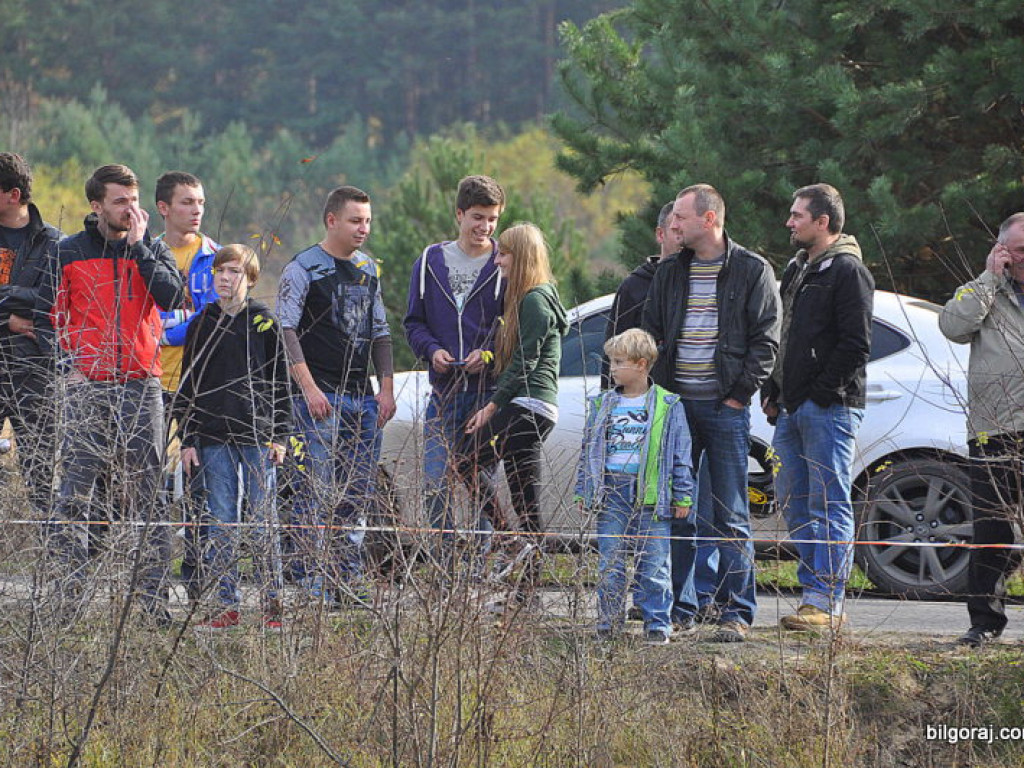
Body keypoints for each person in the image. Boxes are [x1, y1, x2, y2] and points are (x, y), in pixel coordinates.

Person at [48, 164, 185, 624]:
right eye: (120, 201)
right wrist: (67, 368)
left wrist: (140, 247)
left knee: (149, 495)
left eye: (134, 200)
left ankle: (152, 604)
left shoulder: (152, 249)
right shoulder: (67, 251)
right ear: (97, 206)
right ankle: (67, 602)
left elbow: (172, 299)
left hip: (141, 383)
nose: (130, 209)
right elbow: (51, 317)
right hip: (86, 385)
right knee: (75, 494)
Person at [643, 183, 780, 643]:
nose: (673, 225)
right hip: (676, 408)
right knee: (678, 511)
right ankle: (679, 608)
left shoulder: (752, 270)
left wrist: (739, 396)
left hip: (725, 408)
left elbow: (766, 341)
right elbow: (651, 332)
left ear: (709, 219)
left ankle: (737, 612)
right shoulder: (670, 271)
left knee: (730, 513)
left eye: (680, 217)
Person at [761, 184, 873, 631]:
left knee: (829, 502)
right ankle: (812, 596)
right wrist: (774, 388)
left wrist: (820, 392)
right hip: (790, 408)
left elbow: (856, 344)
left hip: (830, 408)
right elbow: (784, 334)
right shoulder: (797, 269)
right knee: (793, 501)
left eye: (797, 216)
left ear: (822, 222)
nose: (789, 222)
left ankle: (827, 603)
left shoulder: (848, 270)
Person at [277, 185, 396, 607]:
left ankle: (348, 576)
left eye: (368, 221)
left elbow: (380, 330)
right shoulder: (303, 268)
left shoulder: (368, 268)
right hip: (319, 397)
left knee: (356, 492)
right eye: (355, 220)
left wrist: (386, 388)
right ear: (332, 220)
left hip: (362, 397)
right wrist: (308, 388)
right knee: (314, 490)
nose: (363, 228)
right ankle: (312, 579)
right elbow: (286, 330)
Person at [175, 244, 291, 630]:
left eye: (235, 271)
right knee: (221, 522)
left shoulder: (264, 322)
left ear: (251, 279)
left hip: (257, 435)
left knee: (261, 521)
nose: (225, 278)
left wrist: (280, 435)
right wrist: (187, 438)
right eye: (220, 271)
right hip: (212, 437)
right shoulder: (202, 323)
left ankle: (273, 606)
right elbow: (188, 384)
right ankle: (227, 604)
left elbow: (281, 382)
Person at [458, 222, 568, 599]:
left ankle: (507, 538)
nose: (497, 261)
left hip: (528, 403)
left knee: (464, 460)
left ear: (520, 258)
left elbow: (525, 362)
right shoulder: (536, 296)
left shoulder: (534, 300)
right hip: (539, 406)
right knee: (525, 499)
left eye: (503, 254)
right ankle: (527, 590)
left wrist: (492, 407)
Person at [403, 175, 505, 572]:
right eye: (478, 217)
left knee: (481, 484)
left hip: (486, 393)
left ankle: (480, 569)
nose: (485, 227)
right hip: (444, 392)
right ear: (460, 214)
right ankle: (445, 567)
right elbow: (413, 322)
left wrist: (489, 354)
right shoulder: (430, 261)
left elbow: (512, 326)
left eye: (493, 219)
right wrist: (432, 351)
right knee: (434, 481)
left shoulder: (503, 263)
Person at [575, 328, 694, 645]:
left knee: (654, 563)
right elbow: (589, 449)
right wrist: (584, 489)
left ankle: (657, 624)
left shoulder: (668, 405)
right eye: (612, 361)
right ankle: (608, 623)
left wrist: (683, 494)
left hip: (651, 495)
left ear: (641, 364)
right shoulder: (603, 404)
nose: (612, 368)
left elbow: (681, 454)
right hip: (611, 493)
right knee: (610, 563)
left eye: (619, 362)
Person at [938, 212, 1024, 647]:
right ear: (1001, 250)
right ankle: (985, 623)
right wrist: (990, 278)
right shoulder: (982, 290)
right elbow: (953, 326)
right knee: (993, 530)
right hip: (995, 429)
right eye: (1020, 251)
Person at [0, 152, 61, 519]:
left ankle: (44, 543)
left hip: (36, 370)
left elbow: (57, 302)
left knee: (41, 472)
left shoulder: (56, 243)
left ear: (13, 195)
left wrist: (7, 296)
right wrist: (7, 321)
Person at [155, 171, 220, 393]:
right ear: (164, 208)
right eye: (187, 202)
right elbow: (139, 319)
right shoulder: (144, 256)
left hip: (202, 380)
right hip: (150, 380)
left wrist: (164, 335)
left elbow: (212, 319)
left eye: (201, 202)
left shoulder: (218, 258)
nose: (197, 210)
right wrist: (187, 317)